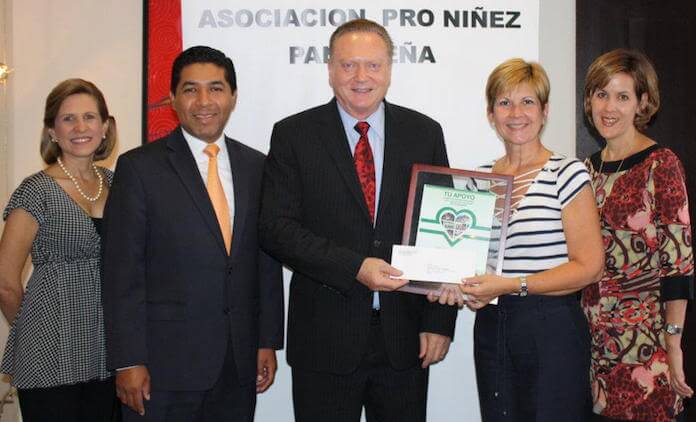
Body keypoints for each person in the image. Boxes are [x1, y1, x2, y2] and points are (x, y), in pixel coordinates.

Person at [258, 18, 457, 422]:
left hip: (404, 339)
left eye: (373, 65)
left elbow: (441, 230)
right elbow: (276, 229)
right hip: (324, 340)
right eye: (348, 65)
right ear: (330, 70)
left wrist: (440, 321)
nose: (361, 77)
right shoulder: (293, 134)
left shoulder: (424, 133)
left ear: (389, 70)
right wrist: (355, 268)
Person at [101, 46, 284, 421]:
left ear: (233, 97)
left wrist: (266, 340)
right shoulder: (139, 168)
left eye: (216, 89)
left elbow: (264, 261)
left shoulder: (257, 166)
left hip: (237, 363)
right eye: (190, 89)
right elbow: (122, 273)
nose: (204, 101)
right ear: (172, 98)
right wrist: (128, 360)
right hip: (162, 368)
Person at [433, 58, 605, 421]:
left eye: (527, 102)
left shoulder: (567, 172)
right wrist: (456, 284)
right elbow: (475, 268)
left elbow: (590, 267)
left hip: (552, 325)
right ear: (490, 113)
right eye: (504, 102)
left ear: (545, 111)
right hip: (494, 328)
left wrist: (514, 285)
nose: (516, 113)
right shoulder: (478, 180)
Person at [581, 48, 694, 422]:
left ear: (642, 103)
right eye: (601, 94)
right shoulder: (586, 170)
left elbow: (678, 264)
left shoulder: (661, 164)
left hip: (645, 348)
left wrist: (674, 344)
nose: (609, 107)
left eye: (622, 96)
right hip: (591, 345)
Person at [0, 79, 119, 421]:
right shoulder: (35, 191)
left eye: (89, 117)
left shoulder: (116, 183)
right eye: (68, 119)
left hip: (107, 351)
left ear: (105, 126)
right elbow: (6, 281)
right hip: (49, 352)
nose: (80, 127)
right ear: (52, 130)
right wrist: (36, 330)